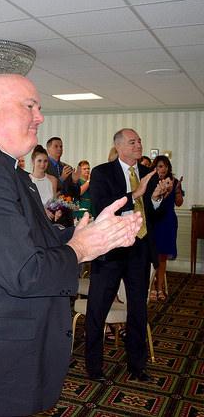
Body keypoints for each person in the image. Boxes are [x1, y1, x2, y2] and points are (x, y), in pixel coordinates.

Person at [0, 74, 143, 416]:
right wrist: (81, 248)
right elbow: (24, 271)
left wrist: (86, 235)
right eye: (30, 106)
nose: (40, 116)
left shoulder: (2, 169)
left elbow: (32, 240)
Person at [85, 128, 173, 383]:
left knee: (138, 311)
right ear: (120, 147)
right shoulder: (102, 172)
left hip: (139, 251)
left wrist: (155, 199)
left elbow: (153, 216)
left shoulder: (147, 173)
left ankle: (137, 366)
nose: (138, 145)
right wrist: (135, 194)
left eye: (140, 141)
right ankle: (94, 368)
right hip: (111, 251)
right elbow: (103, 207)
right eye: (133, 142)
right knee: (97, 310)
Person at [150, 155, 183, 301]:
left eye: (162, 166)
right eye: (157, 166)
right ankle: (151, 287)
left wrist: (175, 190)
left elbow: (179, 202)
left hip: (168, 221)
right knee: (152, 255)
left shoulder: (174, 182)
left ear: (168, 167)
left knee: (162, 256)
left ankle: (160, 289)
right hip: (154, 220)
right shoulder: (151, 181)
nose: (159, 169)